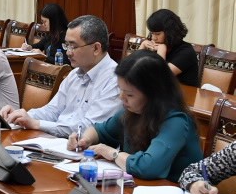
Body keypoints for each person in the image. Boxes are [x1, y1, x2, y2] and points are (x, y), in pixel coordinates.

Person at [68, 50, 202, 182]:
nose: (122, 97)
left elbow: (148, 167)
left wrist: (112, 153)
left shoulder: (176, 122)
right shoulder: (133, 112)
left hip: (173, 192)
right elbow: (100, 130)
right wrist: (84, 140)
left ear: (154, 94)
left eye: (129, 94)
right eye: (120, 90)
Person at [0, 15, 120, 137]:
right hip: (57, 141)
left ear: (96, 48)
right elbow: (52, 111)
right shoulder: (74, 74)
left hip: (86, 147)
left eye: (73, 46)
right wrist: (21, 116)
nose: (68, 52)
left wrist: (36, 124)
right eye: (66, 45)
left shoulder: (114, 80)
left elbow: (89, 129)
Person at [139, 9, 200, 87]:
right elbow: (133, 71)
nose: (154, 38)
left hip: (184, 93)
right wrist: (142, 46)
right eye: (152, 33)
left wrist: (161, 51)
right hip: (159, 92)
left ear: (170, 32)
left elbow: (159, 77)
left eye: (157, 34)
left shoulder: (186, 52)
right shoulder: (157, 45)